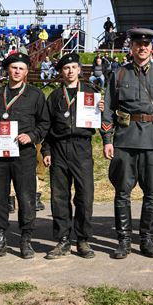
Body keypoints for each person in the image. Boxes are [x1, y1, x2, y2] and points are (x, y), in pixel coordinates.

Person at [100, 28, 153, 259]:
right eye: (137, 44)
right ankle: (124, 241)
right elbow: (108, 109)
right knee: (122, 193)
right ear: (131, 47)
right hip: (125, 140)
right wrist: (107, 139)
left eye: (146, 45)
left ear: (151, 48)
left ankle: (147, 240)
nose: (142, 48)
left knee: (152, 193)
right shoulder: (119, 74)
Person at [0, 53, 49, 260]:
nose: (17, 71)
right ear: (7, 70)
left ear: (26, 71)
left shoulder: (36, 95)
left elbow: (44, 123)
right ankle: (0, 241)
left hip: (24, 155)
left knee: (26, 197)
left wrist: (31, 136)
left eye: (21, 68)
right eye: (13, 68)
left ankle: (25, 240)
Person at [42, 53, 98, 259]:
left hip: (82, 147)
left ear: (79, 70)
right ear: (60, 73)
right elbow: (46, 126)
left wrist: (101, 110)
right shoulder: (55, 96)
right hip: (58, 148)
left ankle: (83, 240)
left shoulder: (91, 92)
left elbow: (104, 120)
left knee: (85, 196)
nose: (70, 71)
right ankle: (62, 240)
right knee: (59, 196)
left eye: (74, 67)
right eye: (66, 68)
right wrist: (46, 150)